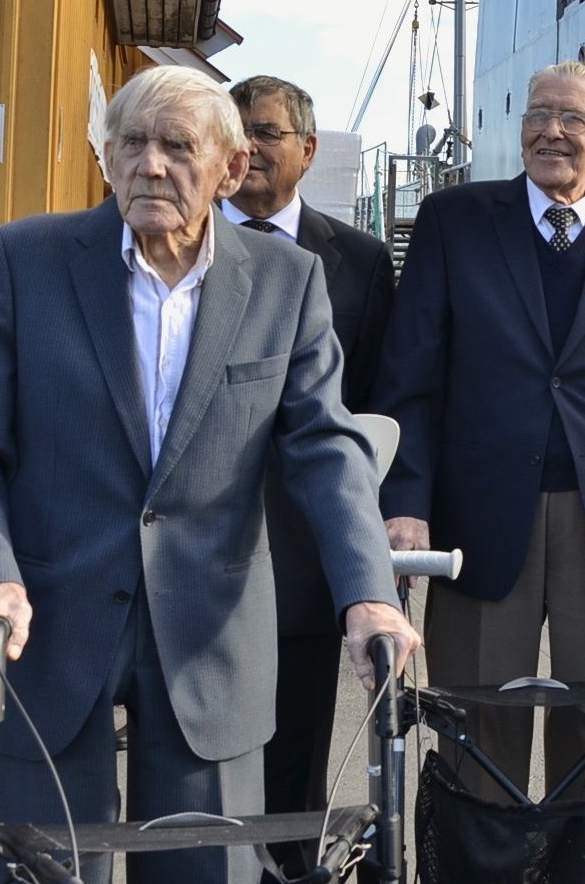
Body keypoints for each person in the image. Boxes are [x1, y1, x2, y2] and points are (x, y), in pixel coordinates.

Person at [0, 66, 417, 884]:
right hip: (48, 621)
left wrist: (366, 593)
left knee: (206, 869)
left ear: (229, 167)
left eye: (178, 146)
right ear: (107, 157)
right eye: (132, 144)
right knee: (48, 870)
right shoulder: (24, 260)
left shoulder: (286, 280)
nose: (151, 164)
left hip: (211, 634)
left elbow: (326, 449)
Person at [374, 59, 585, 884]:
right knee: (475, 732)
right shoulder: (454, 221)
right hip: (479, 519)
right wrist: (406, 500)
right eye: (537, 114)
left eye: (571, 119)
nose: (550, 131)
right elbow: (409, 377)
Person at [218, 75, 398, 868]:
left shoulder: (357, 258)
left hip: (304, 549)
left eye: (266, 132)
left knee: (295, 760)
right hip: (196, 549)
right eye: (236, 132)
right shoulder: (180, 243)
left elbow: (375, 401)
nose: (248, 147)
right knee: (195, 769)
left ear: (308, 149)